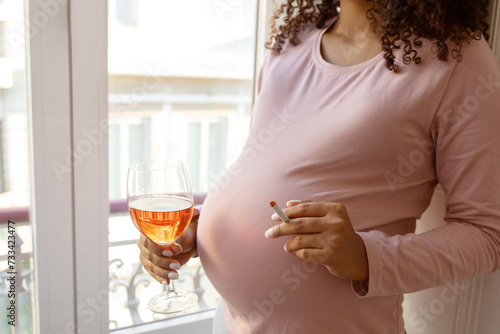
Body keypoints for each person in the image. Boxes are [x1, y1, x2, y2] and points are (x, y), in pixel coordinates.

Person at [137, 0, 500, 333]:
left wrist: (367, 257)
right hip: (233, 322)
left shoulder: (456, 60)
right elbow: (264, 169)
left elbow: (487, 236)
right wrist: (198, 232)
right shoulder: (291, 44)